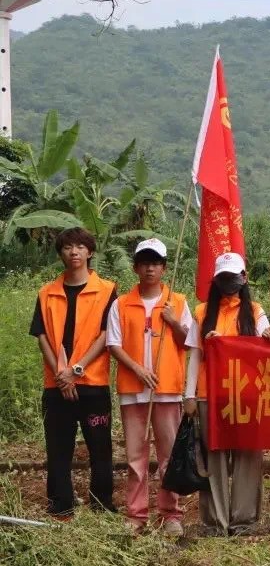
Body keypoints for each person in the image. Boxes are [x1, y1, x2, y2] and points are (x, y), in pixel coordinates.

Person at [182, 252, 270, 535]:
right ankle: (215, 521)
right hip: (210, 395)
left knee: (248, 456)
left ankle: (244, 519)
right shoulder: (201, 313)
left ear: (244, 278)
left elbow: (265, 345)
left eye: (233, 277)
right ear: (215, 280)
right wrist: (189, 395)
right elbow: (195, 355)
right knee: (214, 457)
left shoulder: (255, 311)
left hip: (246, 395)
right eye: (223, 278)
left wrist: (268, 336)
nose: (228, 283)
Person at [29, 227, 118, 517]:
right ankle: (60, 504)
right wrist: (61, 374)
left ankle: (102, 503)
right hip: (56, 384)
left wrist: (76, 370)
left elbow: (106, 334)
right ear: (61, 254)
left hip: (92, 383)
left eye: (80, 246)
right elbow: (41, 335)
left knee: (100, 447)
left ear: (90, 252)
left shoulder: (107, 290)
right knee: (57, 448)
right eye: (68, 247)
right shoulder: (47, 292)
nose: (74, 252)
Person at [106, 238, 192, 535]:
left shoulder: (177, 302)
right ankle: (136, 514)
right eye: (144, 263)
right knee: (135, 457)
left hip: (167, 389)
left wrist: (173, 321)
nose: (150, 269)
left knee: (169, 456)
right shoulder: (121, 303)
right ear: (136, 268)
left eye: (155, 263)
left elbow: (188, 342)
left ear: (164, 268)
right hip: (133, 390)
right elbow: (113, 344)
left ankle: (171, 514)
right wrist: (138, 369)